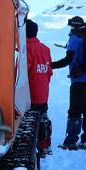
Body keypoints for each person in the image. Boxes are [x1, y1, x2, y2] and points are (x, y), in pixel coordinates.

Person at [51, 16, 86, 150]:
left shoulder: (75, 38)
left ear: (73, 26)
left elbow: (68, 59)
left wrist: (51, 65)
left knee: (75, 111)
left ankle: (71, 141)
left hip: (79, 80)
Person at [25, 19, 53, 154]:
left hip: (29, 94)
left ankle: (32, 148)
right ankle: (45, 146)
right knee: (43, 119)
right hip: (43, 91)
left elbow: (23, 73)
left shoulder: (25, 49)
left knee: (30, 123)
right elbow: (49, 71)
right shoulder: (45, 49)